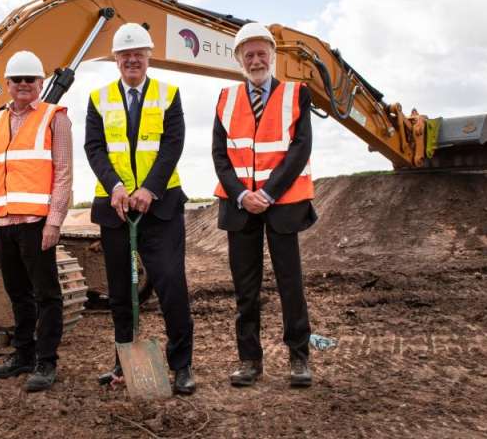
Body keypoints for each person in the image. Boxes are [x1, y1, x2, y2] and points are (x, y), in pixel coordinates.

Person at [84, 22, 196, 396]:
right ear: (115, 59)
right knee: (120, 291)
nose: (132, 59)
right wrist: (115, 187)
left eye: (138, 54)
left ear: (148, 57)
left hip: (160, 210)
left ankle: (181, 366)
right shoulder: (99, 99)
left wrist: (150, 188)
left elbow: (172, 144)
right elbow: (94, 148)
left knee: (170, 286)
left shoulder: (168, 94)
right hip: (115, 211)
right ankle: (123, 362)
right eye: (125, 54)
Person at [211, 22, 317, 388]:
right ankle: (249, 361)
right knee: (245, 289)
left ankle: (299, 359)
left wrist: (268, 194)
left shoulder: (296, 94)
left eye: (261, 54)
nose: (256, 60)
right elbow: (219, 155)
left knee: (291, 284)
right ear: (239, 59)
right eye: (249, 55)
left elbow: (300, 148)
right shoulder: (225, 99)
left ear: (273, 56)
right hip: (240, 207)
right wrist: (242, 194)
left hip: (283, 204)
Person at [0, 50, 73, 393]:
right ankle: (23, 355)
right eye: (17, 80)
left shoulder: (55, 118)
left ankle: (46, 362)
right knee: (17, 293)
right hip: (4, 222)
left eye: (29, 79)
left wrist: (54, 222)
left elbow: (63, 173)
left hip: (36, 223)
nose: (23, 85)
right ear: (6, 85)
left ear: (41, 83)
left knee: (47, 295)